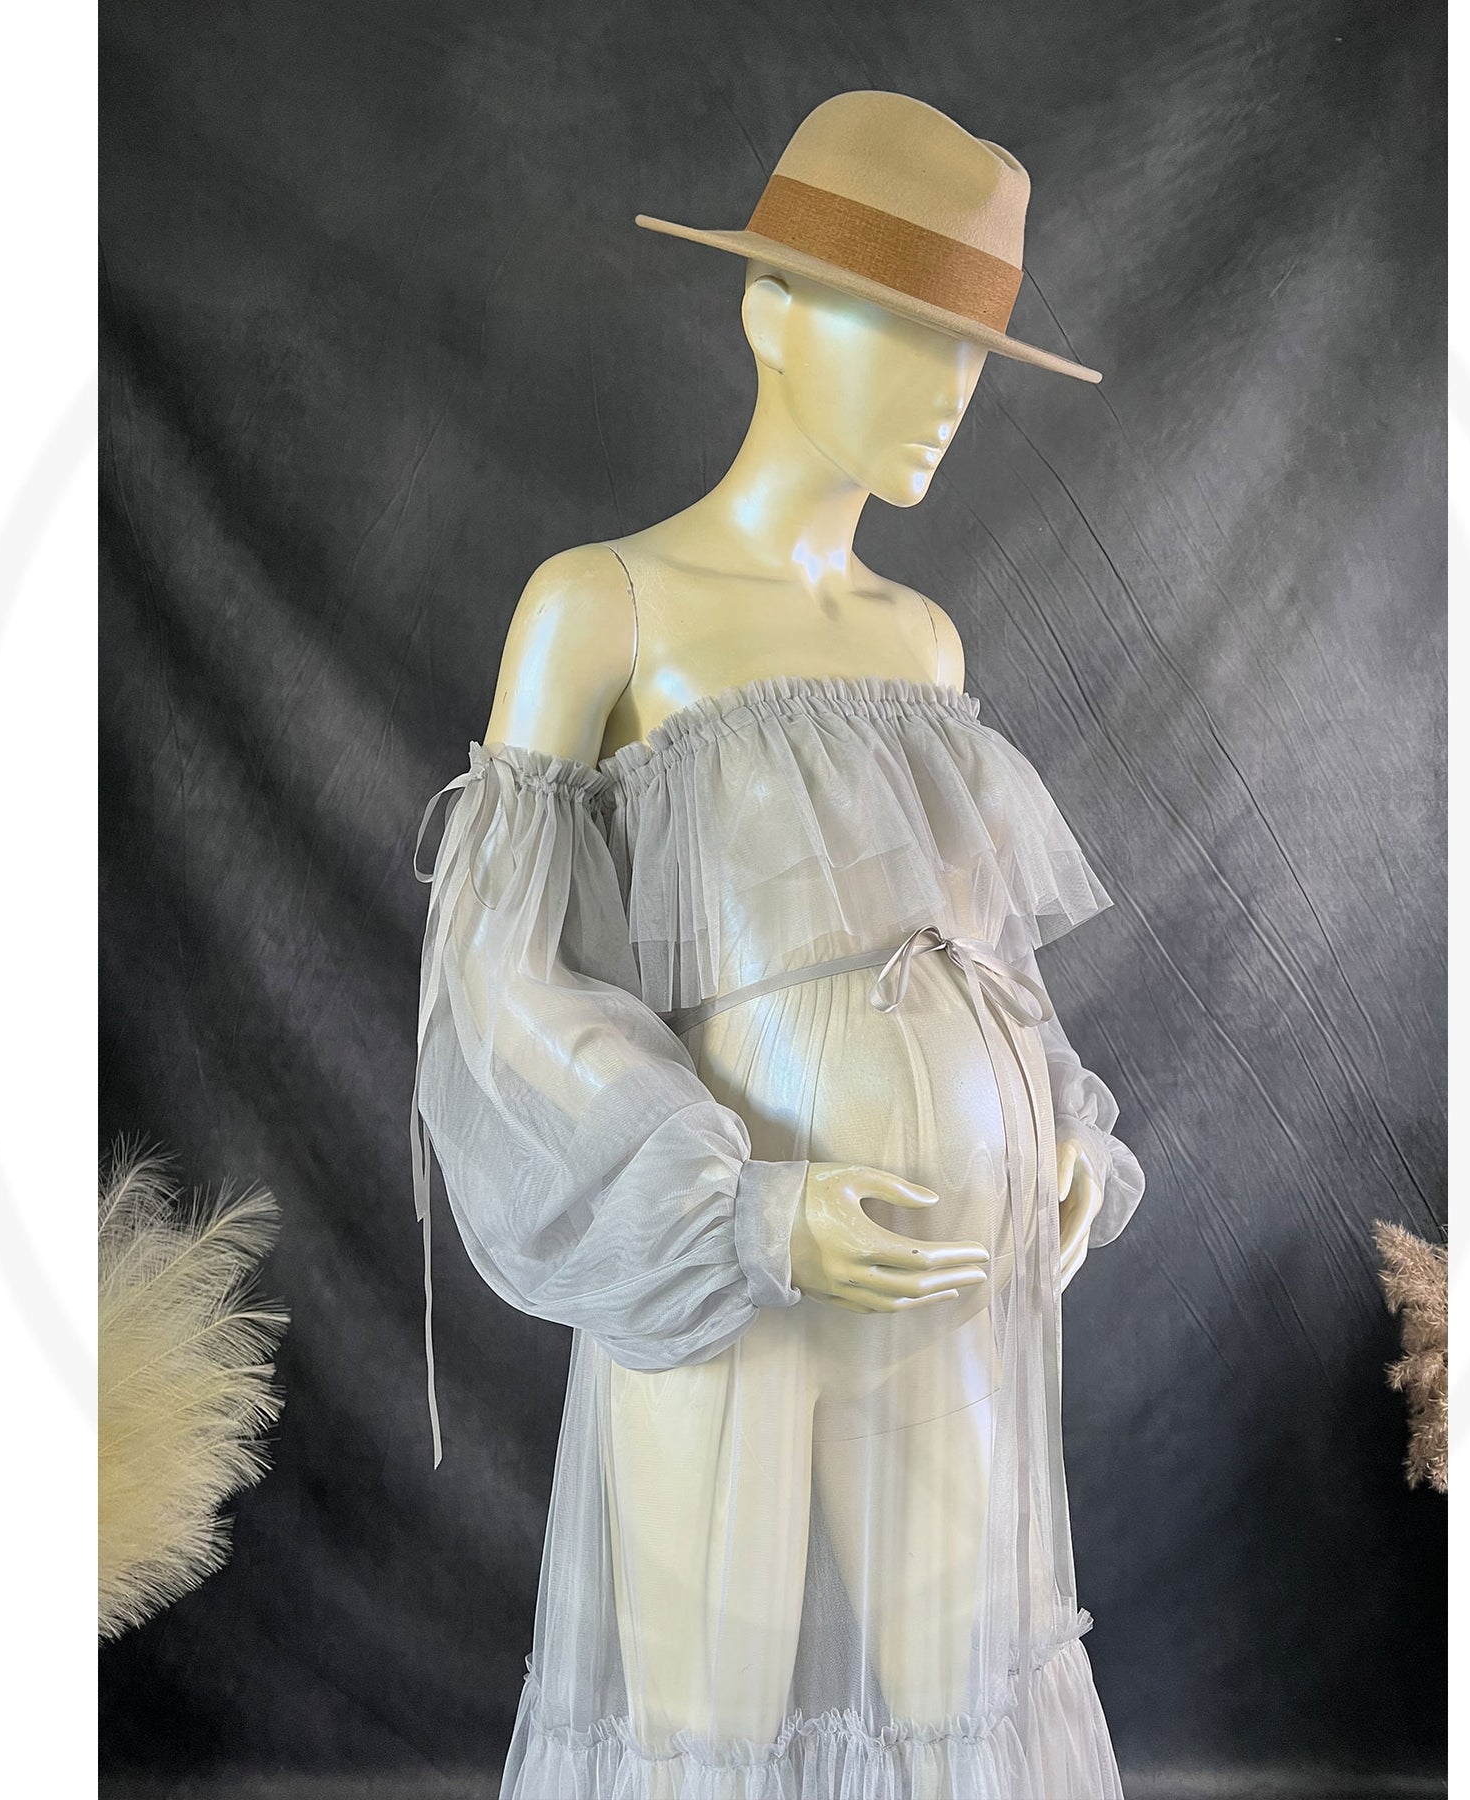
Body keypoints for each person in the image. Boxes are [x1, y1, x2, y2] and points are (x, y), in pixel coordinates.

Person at [412, 90, 1145, 1800]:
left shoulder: (924, 645)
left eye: (975, 350)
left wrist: (1058, 1132)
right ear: (771, 310)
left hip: (949, 1280)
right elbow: (502, 982)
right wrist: (738, 1207)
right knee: (706, 1744)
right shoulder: (604, 605)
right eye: (913, 329)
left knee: (966, 1715)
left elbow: (988, 962)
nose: (954, 387)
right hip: (732, 1281)